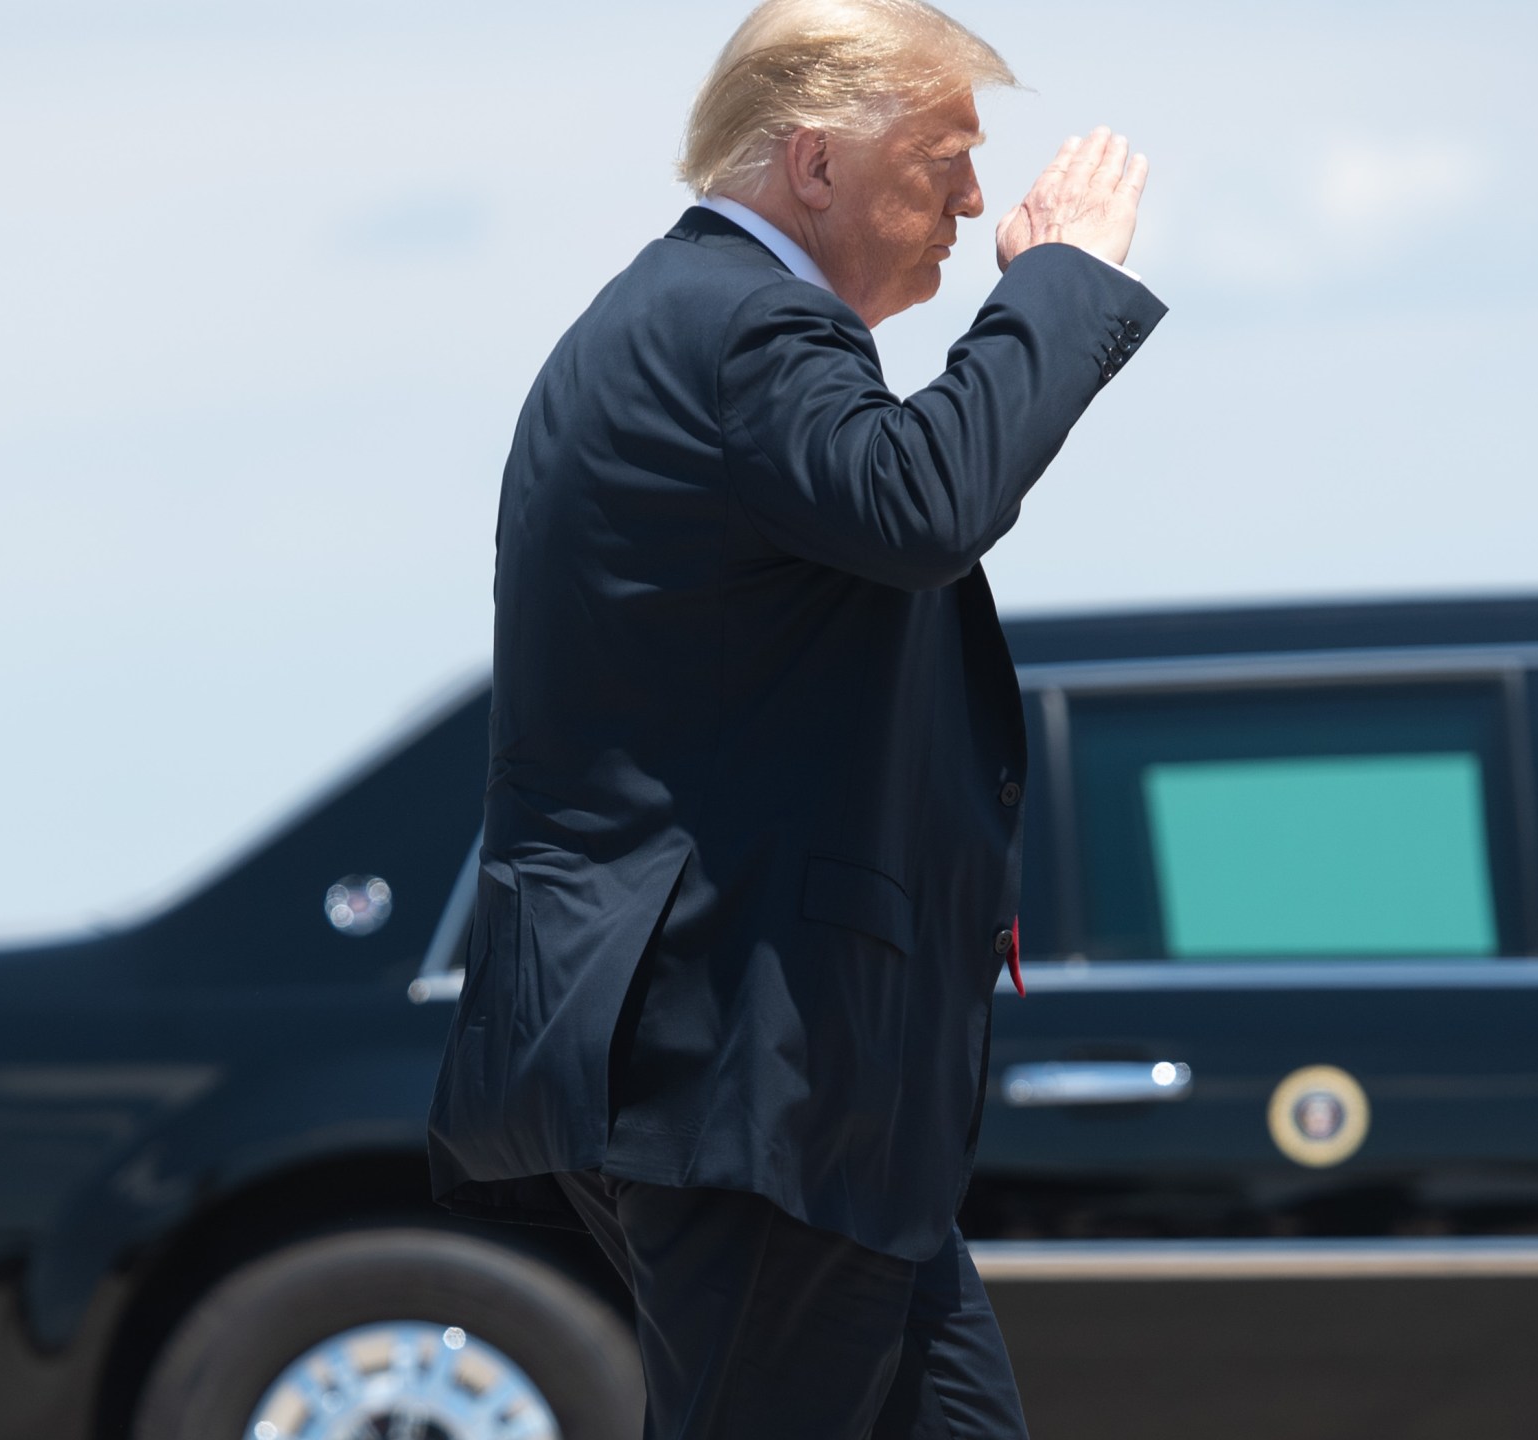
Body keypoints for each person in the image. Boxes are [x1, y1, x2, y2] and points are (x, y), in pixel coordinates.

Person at [423, 0, 1163, 1432]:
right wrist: (1058, 285)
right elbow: (923, 500)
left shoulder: (687, 318)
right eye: (942, 155)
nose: (970, 196)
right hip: (753, 1073)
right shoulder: (740, 323)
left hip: (783, 1090)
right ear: (813, 164)